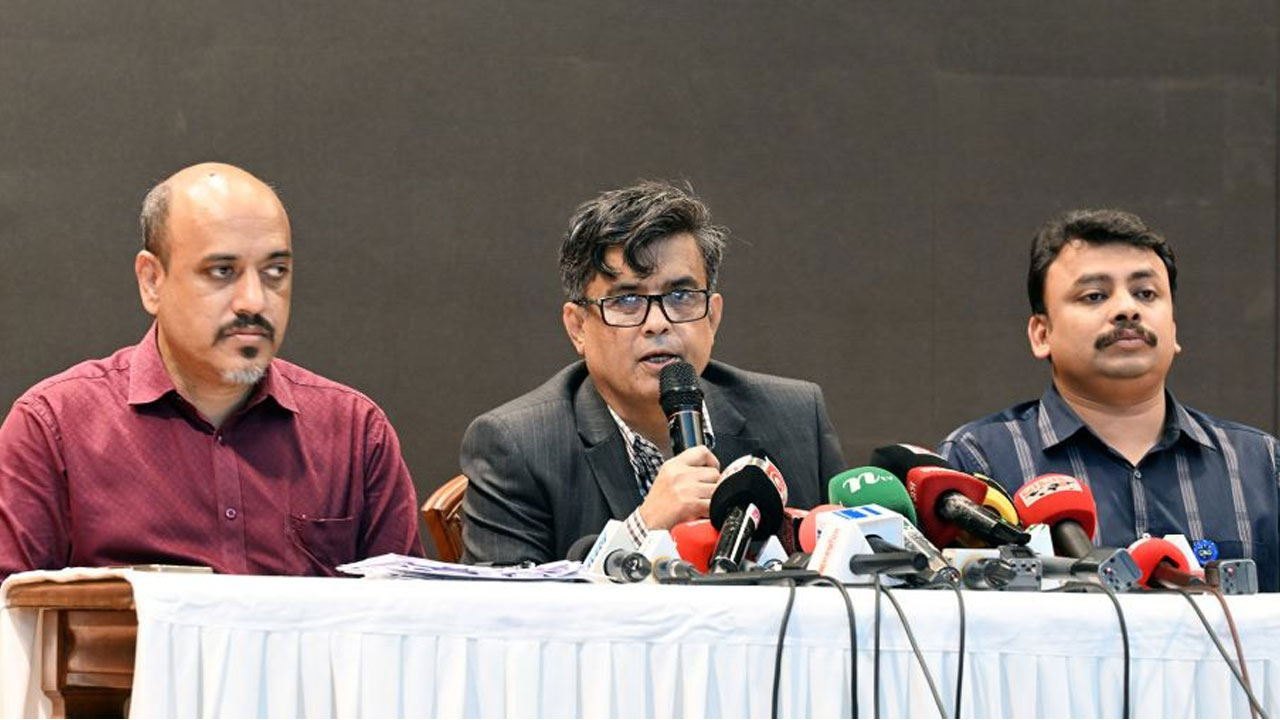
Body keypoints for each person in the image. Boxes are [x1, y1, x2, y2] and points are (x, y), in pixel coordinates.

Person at [0, 162, 423, 578]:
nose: (254, 301)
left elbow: (409, 614)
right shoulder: (54, 428)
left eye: (275, 272)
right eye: (222, 271)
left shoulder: (354, 433)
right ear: (152, 281)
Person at [460, 181, 845, 565]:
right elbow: (506, 601)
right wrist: (645, 527)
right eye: (627, 300)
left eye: (681, 296)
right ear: (577, 328)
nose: (658, 323)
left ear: (712, 317)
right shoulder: (516, 446)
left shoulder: (796, 417)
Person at [939, 209, 1278, 589]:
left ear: (1173, 328)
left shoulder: (1262, 466)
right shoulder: (980, 462)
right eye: (1095, 295)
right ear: (1042, 334)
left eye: (1146, 294)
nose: (1127, 309)